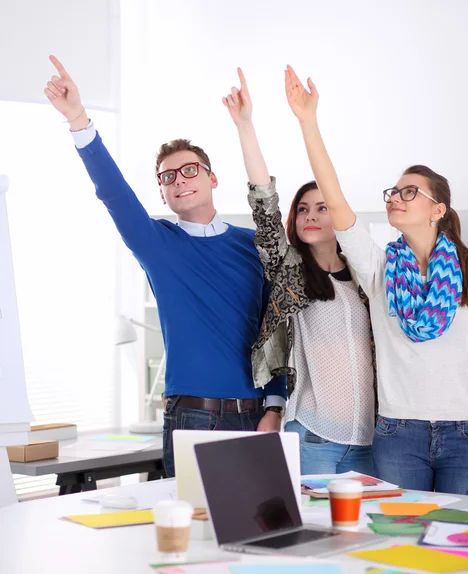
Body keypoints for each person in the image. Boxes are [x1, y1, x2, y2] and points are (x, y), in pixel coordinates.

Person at [43, 56, 286, 478]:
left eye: (190, 170)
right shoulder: (157, 244)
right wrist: (78, 119)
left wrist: (276, 408)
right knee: (193, 540)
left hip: (257, 419)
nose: (179, 180)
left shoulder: (253, 245)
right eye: (167, 177)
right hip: (193, 420)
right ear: (162, 195)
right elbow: (113, 192)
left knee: (260, 534)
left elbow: (279, 327)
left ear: (212, 179)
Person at [285, 64, 468, 493]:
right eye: (393, 193)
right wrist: (308, 123)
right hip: (397, 434)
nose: (396, 199)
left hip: (464, 430)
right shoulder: (379, 267)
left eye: (410, 193)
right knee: (400, 541)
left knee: (456, 549)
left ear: (437, 209)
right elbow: (334, 197)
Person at [222, 69, 376, 475]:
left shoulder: (365, 276)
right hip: (313, 438)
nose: (310, 215)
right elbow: (264, 203)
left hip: (374, 442)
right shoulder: (289, 269)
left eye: (322, 207)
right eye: (303, 208)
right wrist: (245, 125)